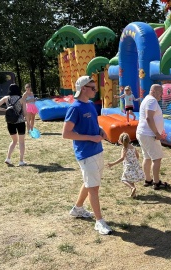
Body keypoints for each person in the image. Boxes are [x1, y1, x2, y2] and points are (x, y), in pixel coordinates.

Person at [62, 76, 112, 235]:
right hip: (86, 153)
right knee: (94, 188)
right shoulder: (75, 108)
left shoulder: (90, 105)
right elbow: (66, 134)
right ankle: (99, 221)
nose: (95, 90)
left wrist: (99, 130)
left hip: (97, 150)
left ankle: (77, 209)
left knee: (90, 183)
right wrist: (91, 137)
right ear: (83, 88)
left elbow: (93, 124)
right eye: (92, 88)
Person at [136, 84, 170, 190]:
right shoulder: (152, 101)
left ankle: (148, 179)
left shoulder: (147, 99)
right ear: (154, 91)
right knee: (157, 158)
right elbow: (149, 118)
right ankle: (156, 182)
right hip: (149, 134)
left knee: (147, 157)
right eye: (161, 92)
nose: (162, 95)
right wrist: (157, 133)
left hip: (143, 133)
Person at [0, 84, 28, 166]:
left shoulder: (6, 98)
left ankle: (8, 158)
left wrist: (5, 110)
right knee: (21, 142)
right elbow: (25, 113)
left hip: (10, 122)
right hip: (20, 122)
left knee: (14, 141)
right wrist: (29, 123)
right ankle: (21, 161)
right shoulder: (22, 99)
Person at [107, 132, 145, 198]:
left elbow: (122, 158)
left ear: (120, 141)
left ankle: (132, 188)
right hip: (135, 166)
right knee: (131, 179)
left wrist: (112, 164)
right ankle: (133, 194)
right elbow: (137, 156)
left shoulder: (124, 149)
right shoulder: (133, 147)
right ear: (129, 139)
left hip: (128, 167)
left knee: (124, 179)